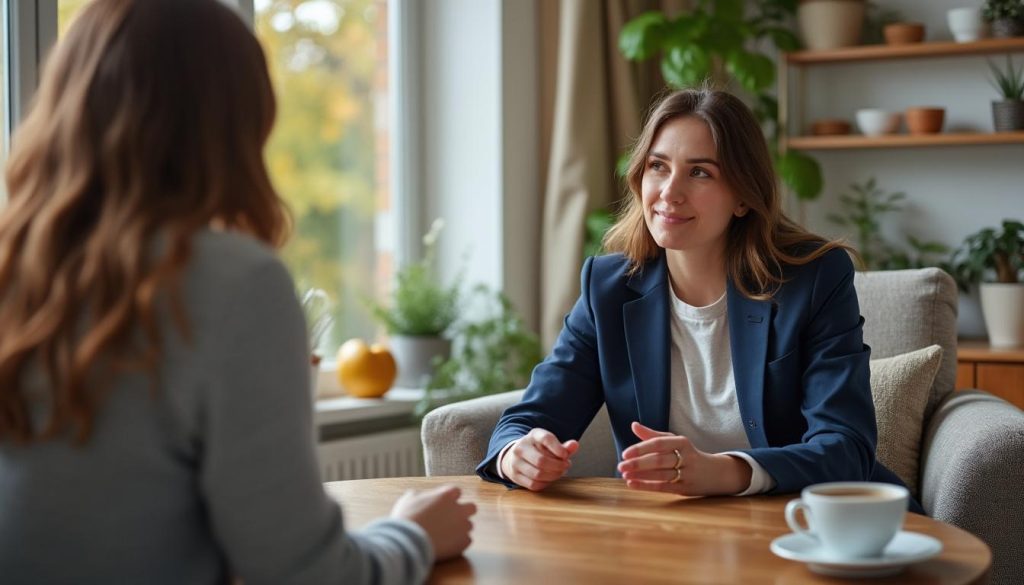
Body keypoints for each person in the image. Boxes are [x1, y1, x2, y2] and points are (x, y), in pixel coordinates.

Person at [0, 1, 474, 583]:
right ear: (235, 122)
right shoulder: (235, 282)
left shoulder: (16, 267)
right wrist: (415, 533)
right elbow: (306, 573)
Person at [478, 87, 919, 510]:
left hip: (808, 523)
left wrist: (722, 472)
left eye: (700, 172)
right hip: (669, 532)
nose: (670, 192)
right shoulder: (608, 288)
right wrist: (519, 453)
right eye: (658, 166)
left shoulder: (814, 280)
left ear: (744, 196)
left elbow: (846, 447)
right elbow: (527, 419)